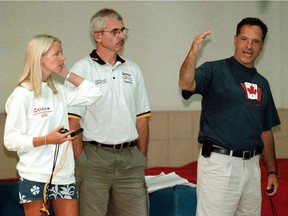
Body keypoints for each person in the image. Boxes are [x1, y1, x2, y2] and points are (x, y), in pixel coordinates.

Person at [179, 17, 280, 216]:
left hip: (252, 167)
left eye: (255, 41)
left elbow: (265, 131)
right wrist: (192, 54)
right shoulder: (214, 70)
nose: (248, 46)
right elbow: (186, 84)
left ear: (262, 46)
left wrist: (272, 172)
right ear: (235, 40)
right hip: (220, 165)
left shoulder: (263, 84)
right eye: (244, 39)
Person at [4, 34, 102, 216]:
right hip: (34, 176)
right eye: (57, 54)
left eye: (62, 53)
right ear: (40, 58)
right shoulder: (21, 95)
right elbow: (10, 141)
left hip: (64, 176)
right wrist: (47, 140)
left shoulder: (58, 92)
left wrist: (66, 74)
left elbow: (94, 93)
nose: (63, 58)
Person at [65, 8, 151, 216]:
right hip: (94, 160)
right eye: (115, 31)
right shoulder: (83, 69)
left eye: (122, 31)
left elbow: (142, 118)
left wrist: (140, 156)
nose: (121, 36)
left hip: (130, 160)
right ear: (98, 36)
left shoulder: (133, 70)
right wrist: (81, 159)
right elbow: (72, 120)